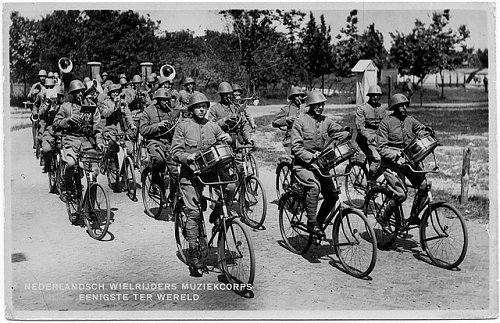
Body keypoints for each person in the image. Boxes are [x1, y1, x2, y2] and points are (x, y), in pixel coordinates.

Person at [171, 92, 231, 271]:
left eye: (204, 106)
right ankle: (193, 252)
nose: (202, 109)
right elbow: (175, 152)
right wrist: (187, 157)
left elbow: (223, 138)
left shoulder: (212, 125)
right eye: (198, 107)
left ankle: (217, 214)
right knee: (194, 212)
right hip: (190, 173)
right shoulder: (183, 126)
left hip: (210, 170)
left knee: (231, 187)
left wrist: (227, 138)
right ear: (191, 109)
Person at [290, 91, 350, 237]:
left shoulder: (326, 121)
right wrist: (311, 156)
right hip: (303, 165)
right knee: (314, 187)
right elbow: (296, 147)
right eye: (317, 105)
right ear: (310, 105)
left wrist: (346, 133)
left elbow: (338, 131)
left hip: (321, 166)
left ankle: (319, 222)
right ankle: (311, 223)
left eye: (322, 104)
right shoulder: (300, 121)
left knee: (332, 196)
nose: (320, 107)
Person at [377, 93, 434, 226]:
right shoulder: (386, 122)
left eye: (405, 105)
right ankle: (384, 217)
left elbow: (420, 129)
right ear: (394, 107)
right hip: (391, 164)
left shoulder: (410, 120)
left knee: (425, 186)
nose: (403, 108)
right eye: (400, 106)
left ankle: (414, 216)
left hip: (409, 161)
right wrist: (396, 155)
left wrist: (426, 131)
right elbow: (381, 148)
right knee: (401, 195)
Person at [52, 79, 104, 201]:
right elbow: (55, 123)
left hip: (87, 141)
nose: (80, 94)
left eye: (81, 91)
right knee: (70, 163)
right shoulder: (65, 106)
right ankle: (68, 186)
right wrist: (68, 120)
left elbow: (98, 127)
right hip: (70, 139)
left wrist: (99, 141)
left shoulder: (91, 106)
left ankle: (90, 204)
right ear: (72, 94)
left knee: (94, 172)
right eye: (77, 92)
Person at [139, 88, 181, 200]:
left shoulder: (171, 111)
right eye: (163, 100)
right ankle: (155, 182)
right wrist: (158, 125)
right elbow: (142, 130)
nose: (166, 102)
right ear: (157, 100)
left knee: (175, 172)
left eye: (168, 100)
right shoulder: (148, 111)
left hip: (169, 143)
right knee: (159, 160)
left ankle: (173, 197)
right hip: (154, 141)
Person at [100, 83, 136, 188]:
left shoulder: (123, 103)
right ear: (110, 94)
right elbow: (105, 114)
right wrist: (114, 107)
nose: (115, 94)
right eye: (113, 92)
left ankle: (124, 172)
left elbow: (128, 114)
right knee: (111, 145)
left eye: (117, 92)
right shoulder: (105, 103)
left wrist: (132, 124)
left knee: (129, 150)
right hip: (110, 129)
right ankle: (111, 162)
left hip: (122, 129)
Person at [355, 84, 386, 186]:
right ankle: (371, 184)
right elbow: (360, 127)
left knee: (388, 160)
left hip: (378, 139)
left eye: (378, 95)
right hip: (364, 140)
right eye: (373, 95)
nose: (375, 98)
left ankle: (372, 176)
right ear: (369, 96)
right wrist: (369, 136)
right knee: (377, 158)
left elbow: (387, 123)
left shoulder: (382, 108)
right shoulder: (362, 108)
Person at [207, 81, 252, 146]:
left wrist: (248, 140)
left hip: (237, 140)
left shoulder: (236, 107)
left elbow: (244, 124)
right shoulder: (214, 109)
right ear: (221, 95)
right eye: (225, 94)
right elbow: (211, 127)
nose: (228, 96)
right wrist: (226, 119)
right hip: (222, 141)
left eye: (229, 94)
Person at [38, 84, 65, 174]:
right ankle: (48, 164)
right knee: (46, 149)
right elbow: (41, 114)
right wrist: (47, 104)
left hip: (62, 130)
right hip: (49, 130)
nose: (56, 98)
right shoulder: (47, 104)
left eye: (58, 96)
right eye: (54, 96)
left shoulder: (64, 106)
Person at [272, 86, 306, 155]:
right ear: (293, 97)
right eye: (297, 96)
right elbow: (274, 122)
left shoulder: (305, 109)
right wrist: (286, 119)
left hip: (305, 138)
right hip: (291, 139)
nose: (299, 98)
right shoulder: (287, 109)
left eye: (301, 96)